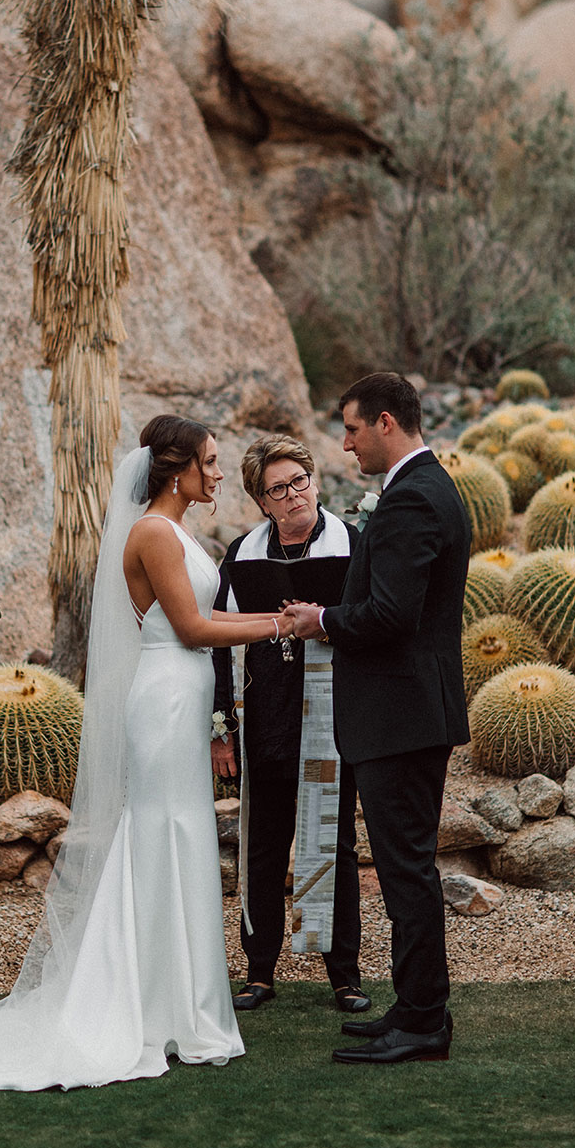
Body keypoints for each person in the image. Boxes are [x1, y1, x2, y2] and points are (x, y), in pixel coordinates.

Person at [0, 414, 295, 1089]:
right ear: (178, 471)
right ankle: (140, 1004)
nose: (221, 472)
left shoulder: (179, 531)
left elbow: (207, 625)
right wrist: (285, 624)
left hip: (183, 695)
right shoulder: (151, 532)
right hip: (166, 698)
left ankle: (173, 1001)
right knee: (159, 836)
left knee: (179, 835)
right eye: (211, 460)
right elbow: (193, 627)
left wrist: (274, 622)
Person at [287, 373, 471, 1066]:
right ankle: (417, 1004)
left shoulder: (413, 499)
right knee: (405, 869)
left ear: (387, 423)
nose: (345, 442)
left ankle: (424, 1021)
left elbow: (392, 616)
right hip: (410, 712)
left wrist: (321, 619)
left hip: (401, 715)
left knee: (406, 871)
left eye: (353, 429)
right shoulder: (428, 487)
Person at [211, 434, 368, 1014]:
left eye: (299, 479)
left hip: (334, 716)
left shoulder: (352, 543)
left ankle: (344, 975)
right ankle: (260, 972)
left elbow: (371, 621)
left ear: (314, 479)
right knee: (265, 847)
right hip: (267, 721)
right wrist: (222, 727)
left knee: (335, 843)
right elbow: (218, 645)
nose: (294, 493)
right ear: (262, 501)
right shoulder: (244, 554)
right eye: (278, 488)